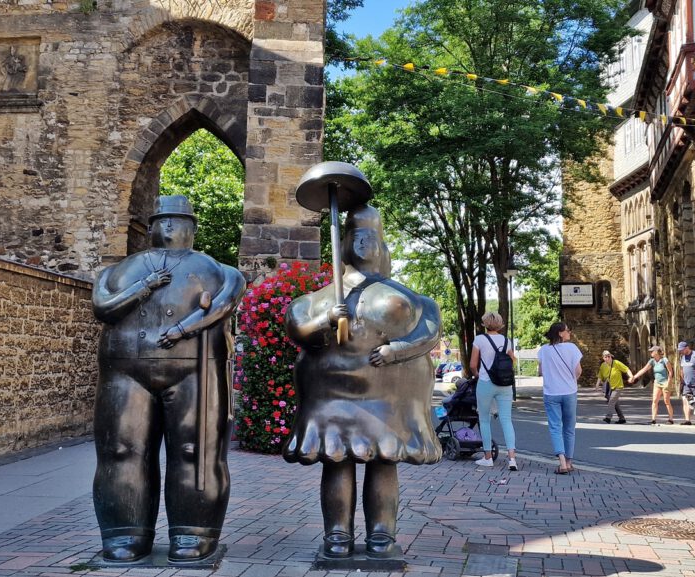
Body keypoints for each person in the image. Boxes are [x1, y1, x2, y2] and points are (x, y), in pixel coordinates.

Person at [91, 195, 246, 563]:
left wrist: (180, 330)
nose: (171, 228)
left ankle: (194, 530)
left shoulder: (223, 272)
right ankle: (125, 530)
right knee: (121, 450)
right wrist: (144, 286)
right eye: (165, 221)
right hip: (125, 368)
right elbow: (103, 308)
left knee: (196, 452)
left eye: (178, 221)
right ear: (152, 227)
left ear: (192, 228)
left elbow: (224, 305)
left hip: (196, 369)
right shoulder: (115, 273)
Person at [283, 204, 442, 560]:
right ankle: (336, 535)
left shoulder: (408, 297)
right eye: (357, 236)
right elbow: (298, 328)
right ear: (345, 243)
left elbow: (430, 331)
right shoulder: (319, 298)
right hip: (332, 394)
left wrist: (397, 350)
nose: (365, 244)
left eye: (373, 237)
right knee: (336, 459)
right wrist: (326, 317)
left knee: (384, 461)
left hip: (387, 396)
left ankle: (382, 535)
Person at [469, 311, 518, 471]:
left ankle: (488, 457)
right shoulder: (506, 340)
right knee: (506, 419)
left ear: (485, 324)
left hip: (486, 382)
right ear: (500, 324)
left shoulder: (480, 339)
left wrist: (478, 375)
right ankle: (511, 459)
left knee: (484, 419)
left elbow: (472, 365)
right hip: (505, 384)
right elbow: (512, 360)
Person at [537, 322, 583, 474]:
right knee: (569, 428)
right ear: (560, 333)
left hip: (551, 393)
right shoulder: (572, 348)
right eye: (568, 330)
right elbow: (578, 371)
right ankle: (569, 462)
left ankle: (562, 462)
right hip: (569, 392)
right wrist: (570, 380)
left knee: (555, 427)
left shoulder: (544, 350)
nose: (570, 333)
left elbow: (541, 372)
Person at [630, 345, 675, 424]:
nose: (650, 352)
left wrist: (669, 382)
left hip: (665, 382)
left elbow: (670, 372)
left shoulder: (664, 360)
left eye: (652, 351)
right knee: (654, 400)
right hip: (657, 383)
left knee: (666, 401)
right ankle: (653, 419)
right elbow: (644, 369)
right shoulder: (652, 361)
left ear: (657, 352)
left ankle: (670, 419)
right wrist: (634, 377)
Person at [596, 350, 633, 424]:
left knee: (611, 401)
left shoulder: (616, 363)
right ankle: (622, 418)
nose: (608, 358)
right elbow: (600, 375)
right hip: (609, 387)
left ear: (611, 357)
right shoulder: (603, 365)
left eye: (609, 356)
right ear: (603, 358)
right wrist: (597, 384)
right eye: (606, 357)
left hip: (618, 386)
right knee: (615, 403)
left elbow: (626, 369)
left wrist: (631, 376)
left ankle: (608, 417)